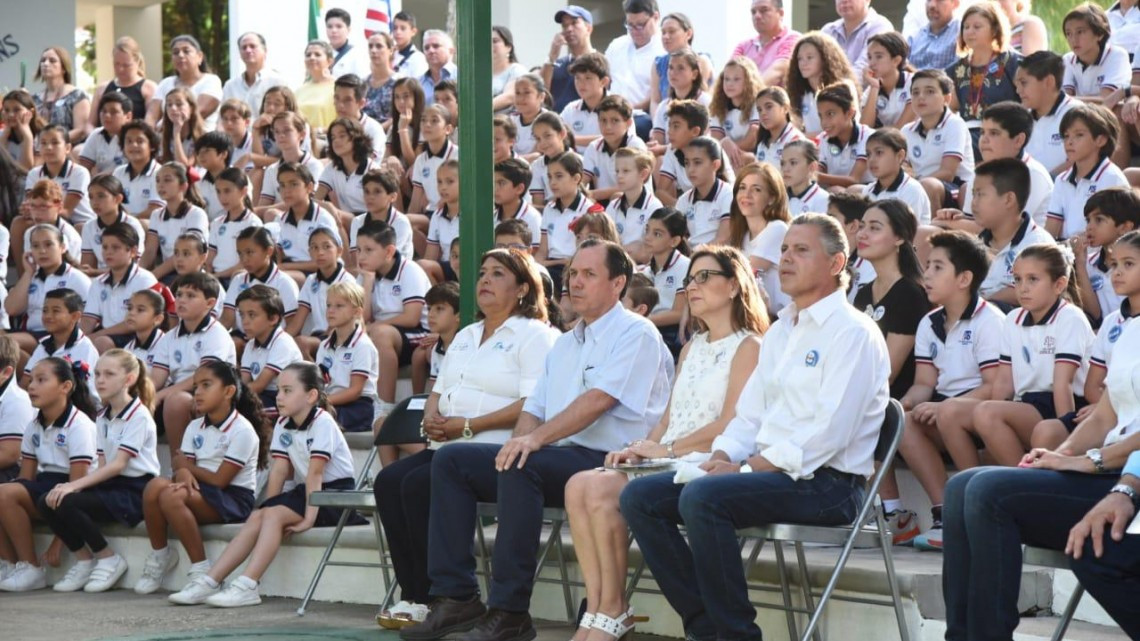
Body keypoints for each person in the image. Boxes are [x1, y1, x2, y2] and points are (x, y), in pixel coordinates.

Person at [620, 214, 890, 641]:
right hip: (769, 474)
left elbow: (827, 435)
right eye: (784, 249)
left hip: (828, 484)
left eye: (801, 250)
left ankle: (736, 635)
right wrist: (721, 456)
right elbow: (749, 417)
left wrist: (745, 469)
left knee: (704, 498)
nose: (786, 259)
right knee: (640, 497)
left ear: (837, 263)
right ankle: (707, 629)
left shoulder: (854, 332)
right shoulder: (782, 330)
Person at [400, 240, 672, 641]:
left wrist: (530, 442)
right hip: (562, 457)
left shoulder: (636, 332)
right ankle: (456, 596)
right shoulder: (566, 343)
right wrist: (517, 443)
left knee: (521, 467)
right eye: (573, 273)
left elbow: (599, 400)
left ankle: (510, 611)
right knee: (453, 461)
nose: (575, 282)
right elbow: (535, 406)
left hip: (611, 461)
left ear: (618, 284)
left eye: (589, 274)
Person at [566, 246, 766, 641]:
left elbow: (731, 422)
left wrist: (668, 450)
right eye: (690, 279)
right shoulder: (691, 347)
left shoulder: (751, 346)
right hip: (669, 456)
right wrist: (641, 447)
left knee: (601, 489)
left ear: (734, 286)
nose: (693, 287)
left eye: (705, 277)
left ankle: (613, 610)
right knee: (578, 484)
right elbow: (668, 419)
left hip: (709, 459)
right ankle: (599, 608)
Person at [940, 254, 1140, 638]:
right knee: (961, 485)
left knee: (988, 491)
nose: (1116, 271)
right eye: (1115, 263)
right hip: (1109, 470)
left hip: (1125, 479)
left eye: (1129, 263)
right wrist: (1061, 455)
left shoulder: (1080, 321)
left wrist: (1090, 461)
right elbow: (1104, 416)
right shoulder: (1127, 329)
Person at [373, 249, 559, 627]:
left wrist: (469, 425)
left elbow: (533, 403)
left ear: (523, 288)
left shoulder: (536, 335)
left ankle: (447, 596)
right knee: (389, 481)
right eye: (483, 272)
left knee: (418, 484)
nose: (485, 279)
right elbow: (439, 390)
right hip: (450, 447)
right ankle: (416, 594)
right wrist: (431, 418)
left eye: (498, 274)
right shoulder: (466, 335)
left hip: (496, 451)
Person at [169, 362, 360, 608]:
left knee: (273, 515)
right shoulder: (283, 422)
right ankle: (210, 581)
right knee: (260, 514)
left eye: (287, 391)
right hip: (310, 492)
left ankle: (248, 585)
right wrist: (269, 505)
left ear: (311, 396)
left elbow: (315, 473)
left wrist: (308, 520)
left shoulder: (322, 422)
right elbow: (279, 470)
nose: (279, 397)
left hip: (335, 495)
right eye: (278, 390)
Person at [135, 360, 268, 595]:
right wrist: (184, 470)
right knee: (154, 486)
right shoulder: (195, 426)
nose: (197, 392)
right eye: (196, 386)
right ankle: (160, 555)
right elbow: (180, 466)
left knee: (171, 497)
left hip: (231, 498)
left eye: (206, 385)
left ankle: (201, 569)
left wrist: (186, 467)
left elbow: (219, 480)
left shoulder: (242, 430)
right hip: (200, 489)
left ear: (228, 391)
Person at [39, 352, 159, 594]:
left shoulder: (139, 415)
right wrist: (70, 488)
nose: (100, 380)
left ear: (129, 379)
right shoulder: (103, 416)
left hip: (135, 491)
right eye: (97, 374)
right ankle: (84, 560)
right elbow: (104, 465)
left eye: (109, 374)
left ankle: (108, 558)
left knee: (67, 499)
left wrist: (74, 485)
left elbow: (118, 465)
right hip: (112, 485)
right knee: (48, 499)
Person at [0, 358, 97, 592]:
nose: (31, 386)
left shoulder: (79, 425)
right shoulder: (33, 426)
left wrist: (59, 542)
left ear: (65, 386)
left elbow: (76, 488)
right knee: (5, 492)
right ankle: (8, 564)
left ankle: (31, 567)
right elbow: (26, 479)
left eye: (41, 380)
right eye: (31, 379)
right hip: (46, 488)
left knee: (4, 494)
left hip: (74, 491)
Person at [853, 200, 932, 402]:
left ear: (899, 238)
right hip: (858, 391)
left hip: (889, 402)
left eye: (874, 228)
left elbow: (886, 375)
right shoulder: (863, 294)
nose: (862, 234)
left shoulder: (910, 294)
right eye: (862, 226)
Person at [945, 1, 1022, 157]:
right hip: (967, 136)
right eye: (966, 27)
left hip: (1005, 134)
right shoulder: (955, 70)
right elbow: (949, 108)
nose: (970, 32)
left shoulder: (1012, 63)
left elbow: (1029, 101)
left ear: (994, 30)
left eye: (977, 27)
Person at [606, 0, 665, 140]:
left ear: (655, 17)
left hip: (642, 116)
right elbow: (604, 80)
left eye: (640, 25)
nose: (634, 31)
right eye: (630, 25)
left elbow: (658, 93)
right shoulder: (616, 45)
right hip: (610, 113)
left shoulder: (663, 50)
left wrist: (627, 109)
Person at [148, 35, 223, 131]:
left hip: (200, 138)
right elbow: (151, 115)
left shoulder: (211, 81)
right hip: (164, 137)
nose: (180, 55)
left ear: (200, 57)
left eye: (186, 51)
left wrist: (162, 128)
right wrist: (148, 134)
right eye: (175, 52)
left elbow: (196, 113)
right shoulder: (165, 83)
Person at [650, 13, 716, 119]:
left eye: (672, 31)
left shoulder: (701, 61)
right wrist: (659, 122)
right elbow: (655, 101)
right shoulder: (658, 63)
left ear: (688, 34)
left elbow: (698, 98)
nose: (666, 36)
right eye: (663, 32)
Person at [86, 37, 155, 127]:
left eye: (126, 65)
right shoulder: (102, 89)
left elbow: (151, 122)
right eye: (116, 64)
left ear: (137, 62)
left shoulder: (148, 88)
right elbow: (90, 123)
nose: (120, 69)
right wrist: (94, 134)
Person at [733, 0, 800, 88]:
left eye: (764, 10)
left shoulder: (792, 39)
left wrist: (748, 95)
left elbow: (777, 72)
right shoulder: (743, 46)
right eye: (753, 12)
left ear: (781, 13)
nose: (757, 16)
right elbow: (728, 75)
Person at [821, 0, 893, 81]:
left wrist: (838, 86)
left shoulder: (880, 26)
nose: (844, 1)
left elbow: (864, 67)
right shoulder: (828, 31)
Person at [544, 5, 597, 113]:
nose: (568, 29)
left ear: (588, 28)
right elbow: (541, 94)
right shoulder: (556, 64)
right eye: (564, 25)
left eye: (574, 23)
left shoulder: (600, 62)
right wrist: (551, 57)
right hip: (557, 121)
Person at [32, 47, 89, 145]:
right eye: (43, 60)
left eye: (52, 61)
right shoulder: (34, 99)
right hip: (40, 150)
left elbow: (81, 131)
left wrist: (55, 142)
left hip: (70, 148)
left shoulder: (77, 95)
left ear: (63, 68)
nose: (46, 64)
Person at [222, 32, 284, 119]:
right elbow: (222, 117)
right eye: (244, 47)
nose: (248, 50)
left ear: (265, 51)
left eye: (252, 46)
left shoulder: (277, 81)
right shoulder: (230, 86)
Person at [295, 41, 337, 143]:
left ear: (330, 61)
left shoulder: (337, 88)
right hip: (301, 143)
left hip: (327, 141)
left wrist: (318, 131)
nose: (312, 58)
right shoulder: (299, 91)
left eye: (317, 54)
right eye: (308, 55)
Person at [908, 0, 961, 71]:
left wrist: (914, 72)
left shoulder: (963, 34)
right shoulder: (914, 38)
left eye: (939, 0)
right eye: (929, 0)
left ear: (955, 3)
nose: (931, 5)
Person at [364, 32, 399, 126]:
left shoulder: (399, 82)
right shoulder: (362, 83)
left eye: (379, 46)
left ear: (391, 50)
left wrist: (378, 130)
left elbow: (402, 113)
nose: (373, 50)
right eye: (370, 46)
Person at [491, 26, 528, 115]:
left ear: (508, 47)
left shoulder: (517, 70)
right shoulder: (481, 74)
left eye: (495, 41)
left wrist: (480, 109)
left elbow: (510, 97)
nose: (489, 45)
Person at [325, 7, 370, 79]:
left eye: (339, 26)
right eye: (330, 26)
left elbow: (363, 82)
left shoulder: (358, 55)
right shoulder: (320, 54)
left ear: (348, 30)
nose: (334, 30)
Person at [420, 31, 457, 108]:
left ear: (451, 51)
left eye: (436, 46)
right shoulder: (419, 83)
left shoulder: (462, 77)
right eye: (426, 48)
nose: (431, 51)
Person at [391, 11, 429, 79]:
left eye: (403, 28)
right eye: (395, 28)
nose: (398, 32)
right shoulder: (390, 54)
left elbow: (418, 84)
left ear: (413, 32)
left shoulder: (418, 59)